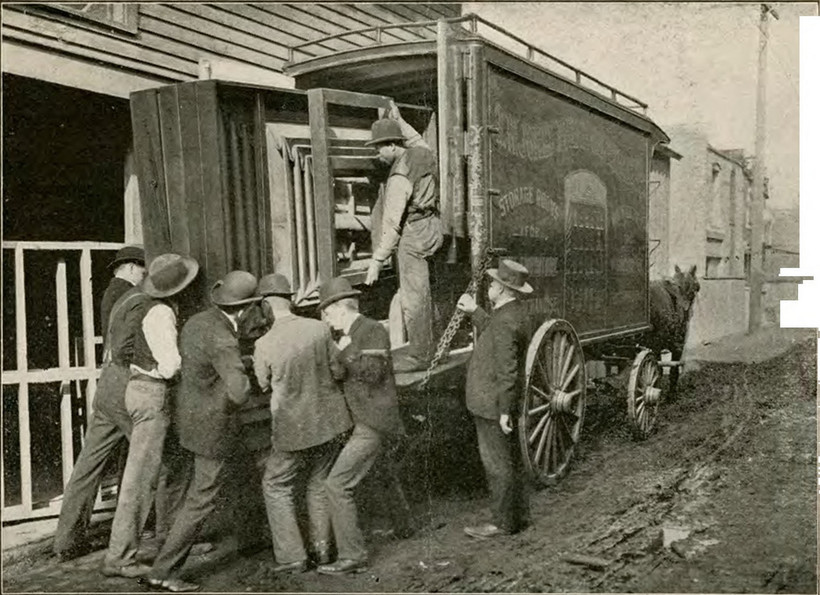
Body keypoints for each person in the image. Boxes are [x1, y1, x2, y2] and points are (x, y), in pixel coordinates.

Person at [143, 271, 259, 593]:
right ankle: (163, 571)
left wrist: (237, 362)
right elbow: (239, 391)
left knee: (233, 477)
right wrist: (244, 375)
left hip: (189, 421)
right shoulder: (223, 337)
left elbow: (200, 365)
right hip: (214, 428)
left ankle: (251, 539)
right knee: (202, 499)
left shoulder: (197, 321)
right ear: (246, 307)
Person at [102, 253, 199, 578]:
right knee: (139, 480)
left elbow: (128, 351)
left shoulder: (146, 306)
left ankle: (169, 540)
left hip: (140, 390)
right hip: (152, 395)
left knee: (171, 466)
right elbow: (171, 365)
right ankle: (119, 558)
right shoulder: (160, 313)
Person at [253, 274, 352, 573]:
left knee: (275, 484)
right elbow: (338, 370)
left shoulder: (263, 343)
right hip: (332, 424)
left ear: (266, 306)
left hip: (294, 430)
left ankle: (292, 556)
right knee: (319, 482)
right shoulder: (320, 328)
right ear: (290, 299)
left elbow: (262, 384)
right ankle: (322, 552)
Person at [53, 266, 148, 561]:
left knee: (88, 465)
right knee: (159, 459)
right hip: (128, 387)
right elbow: (129, 349)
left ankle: (66, 541)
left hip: (107, 386)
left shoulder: (118, 297)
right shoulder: (141, 299)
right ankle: (162, 538)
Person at [316, 277, 405, 575]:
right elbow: (341, 373)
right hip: (364, 417)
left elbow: (373, 373)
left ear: (341, 309)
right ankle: (405, 526)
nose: (326, 320)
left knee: (336, 484)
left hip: (374, 420)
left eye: (327, 314)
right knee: (383, 470)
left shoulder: (371, 330)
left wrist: (345, 349)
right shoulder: (348, 333)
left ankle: (352, 556)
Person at [456, 259, 533, 539]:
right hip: (495, 402)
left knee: (496, 464)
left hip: (490, 405)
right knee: (508, 460)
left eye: (492, 283)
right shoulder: (512, 314)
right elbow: (494, 331)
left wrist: (503, 411)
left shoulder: (505, 322)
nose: (489, 286)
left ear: (502, 289)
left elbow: (507, 371)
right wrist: (475, 311)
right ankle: (518, 517)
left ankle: (502, 523)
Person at [364, 104, 443, 372]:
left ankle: (421, 356)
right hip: (433, 228)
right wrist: (400, 120)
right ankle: (435, 345)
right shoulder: (422, 153)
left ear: (392, 146)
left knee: (414, 298)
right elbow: (416, 139)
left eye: (378, 148)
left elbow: (392, 225)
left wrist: (377, 260)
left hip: (413, 236)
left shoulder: (399, 176)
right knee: (429, 291)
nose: (377, 154)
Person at [101, 245, 146, 336]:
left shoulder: (112, 290)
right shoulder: (128, 293)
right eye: (143, 273)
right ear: (131, 268)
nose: (144, 278)